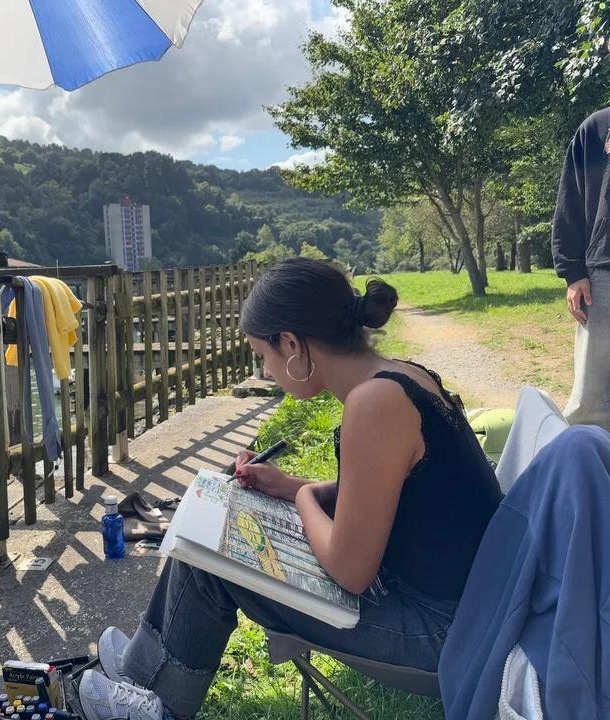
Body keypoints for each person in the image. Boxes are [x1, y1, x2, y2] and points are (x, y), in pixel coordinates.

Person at [77, 258, 503, 720]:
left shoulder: (374, 403)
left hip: (443, 633)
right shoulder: (402, 376)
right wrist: (288, 485)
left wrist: (302, 498)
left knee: (212, 561)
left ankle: (155, 702)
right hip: (470, 608)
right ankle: (144, 673)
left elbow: (351, 572)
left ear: (292, 344)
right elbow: (398, 491)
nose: (264, 370)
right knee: (213, 538)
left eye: (263, 355)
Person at [552, 107, 610, 432]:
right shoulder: (596, 128)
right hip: (604, 277)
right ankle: (584, 457)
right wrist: (573, 272)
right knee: (590, 401)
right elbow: (569, 201)